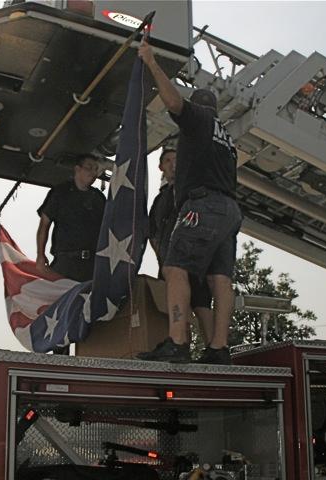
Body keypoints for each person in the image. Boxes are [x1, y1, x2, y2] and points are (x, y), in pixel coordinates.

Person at [137, 39, 243, 365]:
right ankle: (218, 348)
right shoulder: (226, 138)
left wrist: (151, 62)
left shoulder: (199, 119)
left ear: (199, 106)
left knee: (174, 267)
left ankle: (177, 341)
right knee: (220, 279)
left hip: (203, 205)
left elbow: (172, 100)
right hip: (229, 211)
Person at [148, 147, 214, 345]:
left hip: (194, 257)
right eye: (167, 160)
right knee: (174, 306)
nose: (172, 164)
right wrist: (161, 258)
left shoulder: (192, 190)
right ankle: (180, 346)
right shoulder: (159, 199)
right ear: (161, 167)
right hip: (169, 262)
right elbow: (153, 233)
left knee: (201, 303)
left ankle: (214, 348)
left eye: (176, 159)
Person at [36, 154, 105, 282]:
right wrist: (40, 255)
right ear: (77, 169)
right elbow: (44, 224)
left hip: (93, 264)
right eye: (89, 167)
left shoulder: (98, 198)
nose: (93, 173)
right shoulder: (60, 192)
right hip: (65, 262)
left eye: (96, 169)